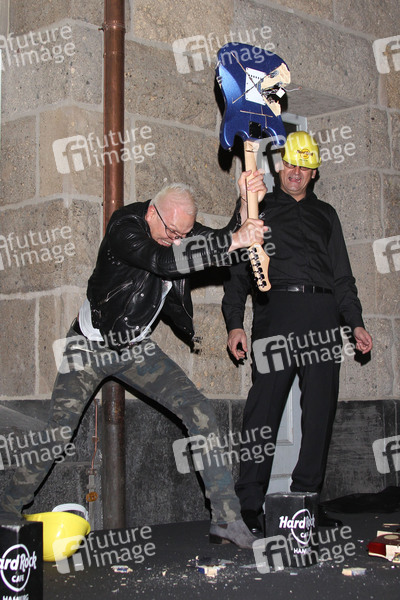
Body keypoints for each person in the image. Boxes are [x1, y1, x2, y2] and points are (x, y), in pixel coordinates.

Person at [0, 171, 267, 549]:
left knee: (200, 410)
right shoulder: (124, 228)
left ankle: (226, 519)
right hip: (88, 347)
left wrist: (242, 205)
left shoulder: (177, 228)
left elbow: (219, 242)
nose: (177, 239)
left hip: (136, 349)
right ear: (152, 213)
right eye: (172, 232)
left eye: (183, 233)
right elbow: (163, 260)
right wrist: (233, 239)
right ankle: (7, 511)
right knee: (58, 434)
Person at [221, 131, 373, 534]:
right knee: (262, 412)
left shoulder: (328, 215)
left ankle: (306, 501)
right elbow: (237, 272)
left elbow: (343, 277)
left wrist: (355, 322)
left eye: (304, 166)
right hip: (277, 314)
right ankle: (248, 506)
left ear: (314, 172)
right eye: (290, 163)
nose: (295, 172)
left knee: (320, 413)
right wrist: (235, 323)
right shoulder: (259, 206)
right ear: (279, 166)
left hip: (323, 317)